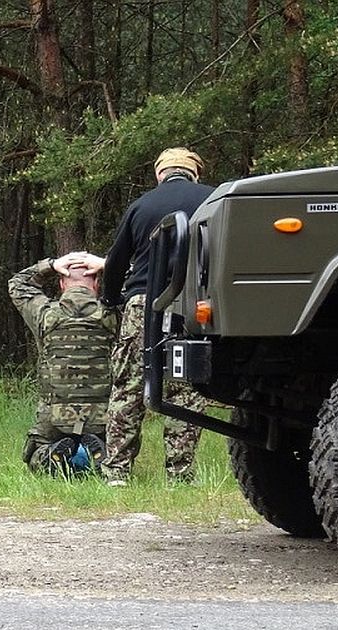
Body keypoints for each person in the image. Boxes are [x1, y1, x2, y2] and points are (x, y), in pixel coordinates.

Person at [78, 148, 214, 485]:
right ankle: (180, 473)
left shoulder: (141, 206)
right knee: (186, 388)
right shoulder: (213, 201)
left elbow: (116, 262)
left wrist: (111, 299)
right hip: (193, 306)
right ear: (194, 173)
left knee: (129, 386)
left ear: (160, 174)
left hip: (143, 305)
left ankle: (117, 471)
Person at [9, 254, 117, 476]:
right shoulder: (112, 314)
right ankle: (102, 455)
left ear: (61, 284)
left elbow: (17, 284)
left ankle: (51, 456)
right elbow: (148, 279)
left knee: (34, 453)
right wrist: (110, 262)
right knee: (123, 451)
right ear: (97, 284)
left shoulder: (45, 314)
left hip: (55, 412)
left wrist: (50, 265)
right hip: (105, 412)